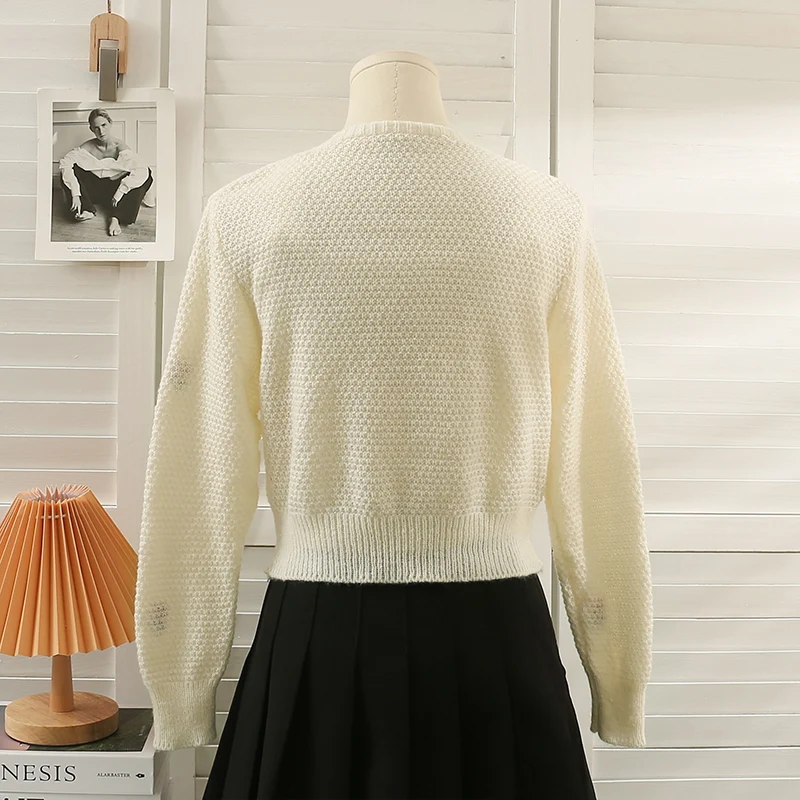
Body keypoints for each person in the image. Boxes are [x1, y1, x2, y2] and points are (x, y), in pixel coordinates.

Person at [58, 107, 154, 237]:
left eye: (104, 125)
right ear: (91, 129)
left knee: (147, 175)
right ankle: (86, 209)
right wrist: (75, 194)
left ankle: (116, 217)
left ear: (110, 123)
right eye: (96, 128)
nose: (101, 131)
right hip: (93, 192)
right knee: (68, 170)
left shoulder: (120, 147)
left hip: (114, 193)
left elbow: (141, 169)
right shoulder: (87, 147)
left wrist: (120, 192)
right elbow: (66, 163)